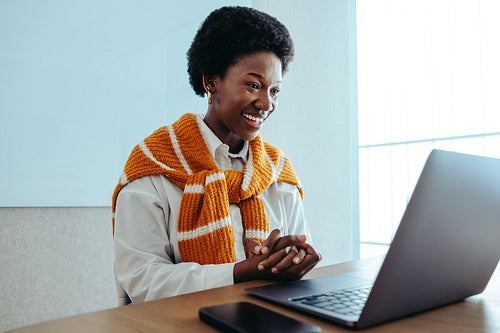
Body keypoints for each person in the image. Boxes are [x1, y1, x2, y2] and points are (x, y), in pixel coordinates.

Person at [112, 6, 321, 304]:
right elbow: (142, 280)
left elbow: (298, 252)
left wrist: (295, 258)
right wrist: (241, 271)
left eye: (274, 91)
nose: (266, 103)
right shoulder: (152, 166)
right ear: (211, 81)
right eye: (253, 85)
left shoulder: (278, 171)